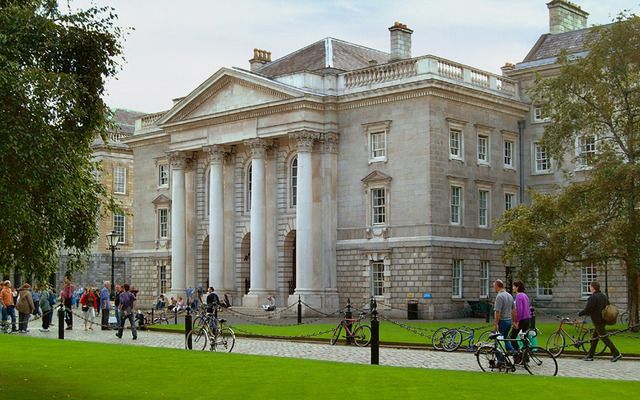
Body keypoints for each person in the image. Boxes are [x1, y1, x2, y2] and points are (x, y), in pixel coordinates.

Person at [579, 281, 622, 362]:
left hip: (597, 321)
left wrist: (580, 313)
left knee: (604, 338)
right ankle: (590, 355)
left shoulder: (593, 298)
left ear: (593, 288)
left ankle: (616, 353)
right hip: (603, 320)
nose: (590, 288)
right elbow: (608, 306)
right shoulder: (603, 296)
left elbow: (588, 309)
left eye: (590, 287)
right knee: (594, 338)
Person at [509, 280, 531, 351]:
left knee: (512, 337)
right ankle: (525, 356)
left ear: (517, 287)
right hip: (527, 319)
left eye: (514, 286)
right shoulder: (525, 295)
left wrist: (516, 321)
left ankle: (518, 353)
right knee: (524, 338)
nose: (512, 288)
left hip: (521, 320)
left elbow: (519, 310)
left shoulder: (518, 296)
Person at [493, 280, 514, 353]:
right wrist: (513, 321)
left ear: (497, 286)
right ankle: (514, 353)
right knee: (505, 339)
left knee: (498, 340)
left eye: (494, 287)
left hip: (502, 321)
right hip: (509, 320)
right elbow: (514, 310)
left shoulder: (499, 296)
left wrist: (496, 323)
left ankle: (500, 361)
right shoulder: (509, 295)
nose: (494, 288)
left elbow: (498, 311)